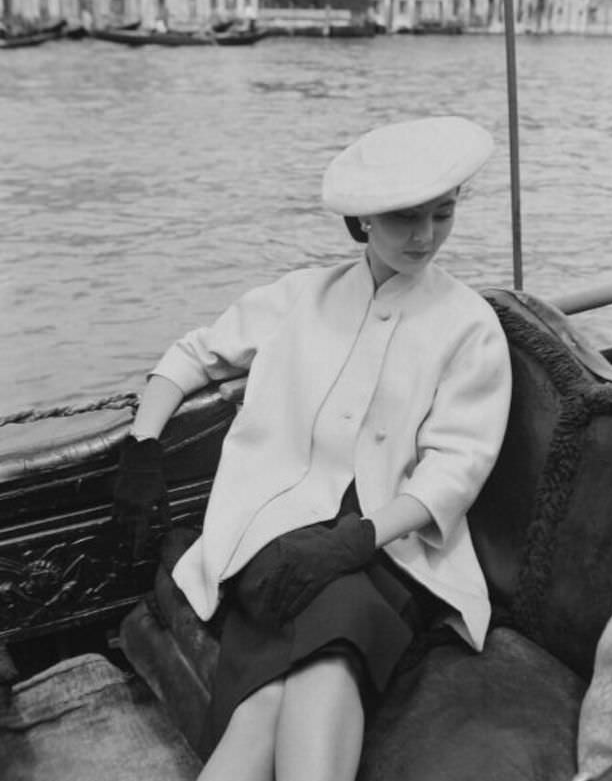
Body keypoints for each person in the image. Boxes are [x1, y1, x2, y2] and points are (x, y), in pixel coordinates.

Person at [113, 116, 512, 781]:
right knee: (281, 687)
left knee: (310, 667)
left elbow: (454, 471)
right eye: (406, 217)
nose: (426, 236)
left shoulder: (470, 325)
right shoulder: (302, 296)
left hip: (391, 551)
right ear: (362, 221)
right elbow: (191, 355)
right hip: (280, 539)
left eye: (442, 215)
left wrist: (355, 541)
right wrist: (142, 445)